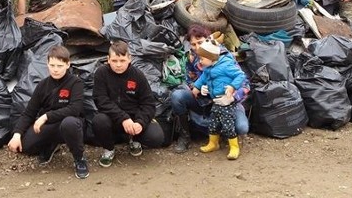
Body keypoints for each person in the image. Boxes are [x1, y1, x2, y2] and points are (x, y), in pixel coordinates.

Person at [7, 46, 89, 179]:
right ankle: (51, 145)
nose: (55, 69)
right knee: (25, 146)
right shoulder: (42, 85)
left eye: (59, 65)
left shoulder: (76, 82)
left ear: (68, 64)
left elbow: (75, 109)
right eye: (52, 65)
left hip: (73, 123)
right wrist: (17, 134)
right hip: (51, 125)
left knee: (69, 123)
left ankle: (79, 159)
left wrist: (46, 116)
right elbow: (29, 113)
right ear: (47, 64)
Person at [169, 24, 250, 153]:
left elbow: (244, 84)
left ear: (208, 40)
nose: (197, 48)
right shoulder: (192, 58)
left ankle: (224, 135)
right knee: (177, 96)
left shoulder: (223, 57)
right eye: (193, 44)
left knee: (242, 128)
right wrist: (198, 89)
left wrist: (232, 96)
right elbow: (190, 81)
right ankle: (185, 136)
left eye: (200, 42)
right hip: (205, 102)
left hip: (228, 102)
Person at [92, 41, 165, 167]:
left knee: (156, 137)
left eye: (122, 60)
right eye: (114, 61)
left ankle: (134, 140)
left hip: (134, 118)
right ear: (108, 59)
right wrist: (123, 118)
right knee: (99, 121)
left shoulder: (138, 75)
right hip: (112, 117)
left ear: (129, 59)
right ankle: (109, 149)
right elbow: (101, 100)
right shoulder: (101, 74)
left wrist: (140, 123)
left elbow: (148, 104)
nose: (118, 65)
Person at [192, 39, 248, 160]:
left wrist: (233, 88)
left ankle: (234, 146)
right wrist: (197, 87)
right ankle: (213, 143)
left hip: (227, 101)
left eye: (202, 58)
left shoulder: (226, 65)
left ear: (211, 58)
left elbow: (240, 75)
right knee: (213, 123)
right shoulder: (208, 68)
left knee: (227, 124)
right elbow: (203, 78)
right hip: (216, 101)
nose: (200, 61)